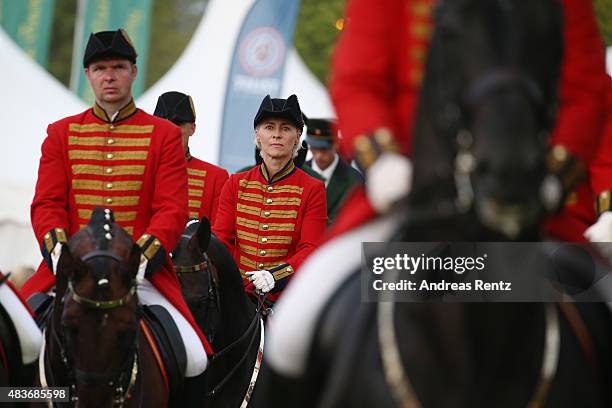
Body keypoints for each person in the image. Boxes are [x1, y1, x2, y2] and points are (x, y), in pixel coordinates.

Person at [327, 0, 609, 241]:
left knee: (599, 292)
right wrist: (383, 161)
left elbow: (585, 89)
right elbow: (357, 82)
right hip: (409, 190)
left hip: (526, 188)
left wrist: (555, 176)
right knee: (311, 295)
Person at [20, 29, 212, 378]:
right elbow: (46, 203)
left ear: (134, 72)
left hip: (139, 273)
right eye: (100, 68)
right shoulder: (61, 133)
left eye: (119, 67)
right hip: (70, 270)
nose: (110, 76)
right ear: (88, 75)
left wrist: (141, 257)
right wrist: (60, 250)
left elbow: (171, 209)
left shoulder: (164, 135)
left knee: (195, 358)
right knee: (17, 342)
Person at [212, 94, 327, 302]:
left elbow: (311, 248)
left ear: (297, 137)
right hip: (239, 295)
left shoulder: (313, 189)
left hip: (287, 297)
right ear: (257, 136)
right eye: (269, 127)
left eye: (285, 128)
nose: (277, 135)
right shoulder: (235, 183)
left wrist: (277, 276)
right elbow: (221, 241)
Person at [153, 91, 229, 225]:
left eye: (178, 124)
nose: (170, 130)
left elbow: (218, 238)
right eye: (163, 123)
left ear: (192, 129)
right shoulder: (138, 170)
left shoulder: (215, 178)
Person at [304, 118, 363, 226]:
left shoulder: (355, 180)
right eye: (313, 148)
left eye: (324, 149)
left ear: (336, 144)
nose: (318, 155)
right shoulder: (298, 172)